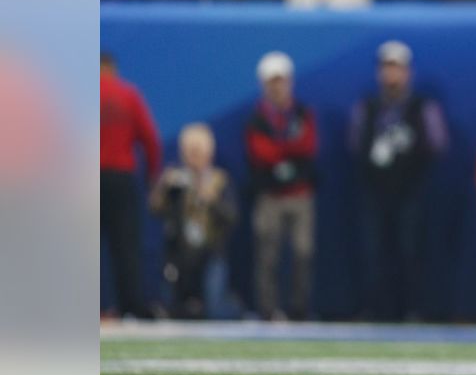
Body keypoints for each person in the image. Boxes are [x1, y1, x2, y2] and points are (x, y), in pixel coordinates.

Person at [349, 41, 449, 321]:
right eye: (386, 68)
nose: (391, 75)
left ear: (407, 72)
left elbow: (438, 144)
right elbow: (356, 143)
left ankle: (412, 308)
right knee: (373, 253)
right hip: (375, 191)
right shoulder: (368, 106)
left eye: (396, 68)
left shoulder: (421, 107)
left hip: (410, 191)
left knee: (411, 251)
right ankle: (376, 309)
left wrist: (408, 160)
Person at [245, 51, 318, 321]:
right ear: (264, 84)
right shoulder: (257, 118)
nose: (277, 86)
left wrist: (282, 150)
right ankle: (267, 309)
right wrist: (288, 148)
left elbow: (307, 145)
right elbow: (260, 153)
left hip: (300, 193)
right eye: (272, 81)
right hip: (269, 195)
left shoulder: (302, 113)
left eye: (282, 80)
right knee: (267, 254)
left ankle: (299, 309)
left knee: (303, 252)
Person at [148, 123, 238, 320]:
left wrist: (211, 200)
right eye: (189, 152)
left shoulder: (219, 179)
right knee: (172, 311)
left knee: (214, 311)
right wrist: (162, 187)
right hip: (179, 255)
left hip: (211, 253)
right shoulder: (176, 181)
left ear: (209, 153)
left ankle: (234, 305)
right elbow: (155, 209)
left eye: (198, 151)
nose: (193, 157)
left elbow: (231, 217)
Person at [100, 52, 161, 319]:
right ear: (112, 68)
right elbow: (149, 138)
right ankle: (131, 304)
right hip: (121, 177)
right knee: (125, 245)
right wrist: (152, 177)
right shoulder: (128, 94)